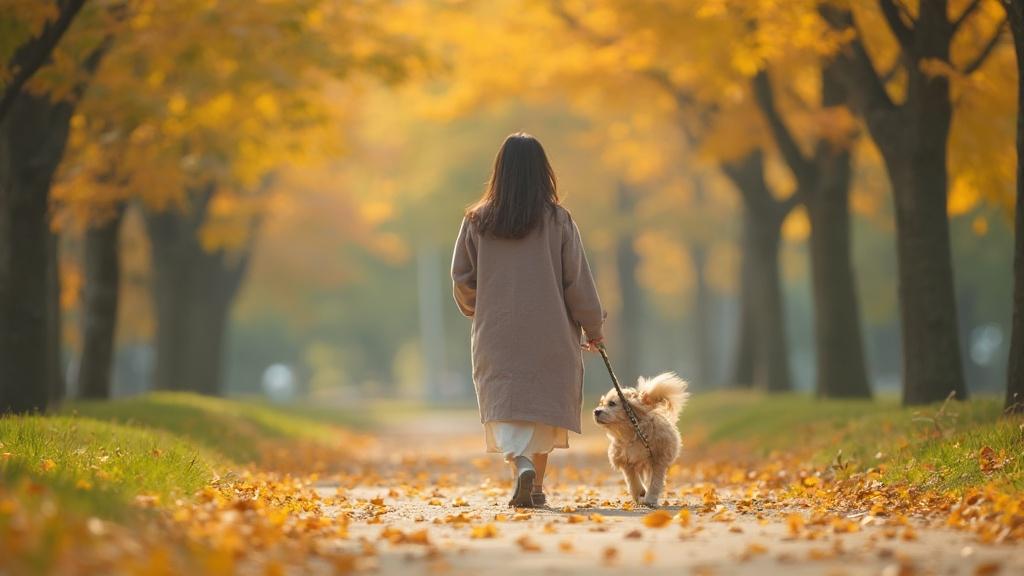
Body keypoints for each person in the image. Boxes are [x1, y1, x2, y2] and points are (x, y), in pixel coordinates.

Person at [451, 132, 605, 508]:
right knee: (542, 410)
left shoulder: (477, 221)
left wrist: (478, 306)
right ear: (542, 172)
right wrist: (593, 327)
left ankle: (521, 466)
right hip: (549, 333)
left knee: (507, 405)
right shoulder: (558, 221)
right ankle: (536, 487)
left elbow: (461, 278)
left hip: (498, 333)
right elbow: (577, 280)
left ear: (500, 171)